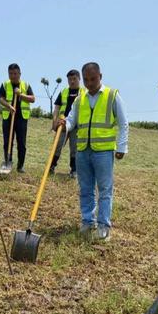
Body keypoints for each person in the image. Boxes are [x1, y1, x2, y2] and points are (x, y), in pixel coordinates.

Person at [58, 62, 129, 241]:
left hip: (103, 152)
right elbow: (72, 120)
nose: (89, 83)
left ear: (100, 76)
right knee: (85, 188)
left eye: (93, 79)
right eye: (87, 80)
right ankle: (87, 221)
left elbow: (123, 123)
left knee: (105, 189)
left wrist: (121, 147)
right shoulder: (79, 99)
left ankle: (103, 225)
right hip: (82, 150)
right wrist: (64, 124)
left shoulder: (112, 96)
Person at [0, 63, 35, 173]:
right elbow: (1, 99)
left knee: (21, 143)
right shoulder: (5, 85)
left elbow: (32, 99)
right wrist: (9, 106)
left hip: (21, 118)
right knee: (7, 141)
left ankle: (20, 166)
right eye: (10, 73)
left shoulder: (26, 85)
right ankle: (8, 162)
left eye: (15, 73)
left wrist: (21, 95)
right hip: (8, 117)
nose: (13, 76)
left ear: (19, 73)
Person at [50, 69, 84, 178]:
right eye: (70, 79)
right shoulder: (64, 92)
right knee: (57, 145)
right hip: (62, 124)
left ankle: (74, 170)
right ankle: (51, 166)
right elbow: (57, 108)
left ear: (79, 79)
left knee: (75, 148)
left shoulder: (84, 93)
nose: (72, 81)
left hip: (77, 125)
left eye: (74, 79)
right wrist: (54, 122)